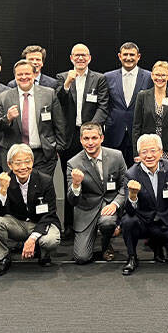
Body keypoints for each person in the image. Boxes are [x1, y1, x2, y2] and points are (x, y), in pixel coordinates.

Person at [119, 134, 168, 275]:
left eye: (153, 151)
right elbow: (129, 211)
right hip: (142, 222)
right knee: (128, 221)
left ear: (161, 152)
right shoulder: (131, 174)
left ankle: (158, 244)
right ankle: (132, 257)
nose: (149, 156)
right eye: (144, 152)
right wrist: (133, 196)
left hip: (163, 223)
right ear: (138, 155)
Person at [56, 43, 109, 237]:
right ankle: (69, 225)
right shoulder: (62, 77)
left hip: (91, 137)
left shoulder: (99, 79)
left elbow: (103, 106)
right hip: (69, 138)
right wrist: (67, 83)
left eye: (84, 55)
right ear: (71, 58)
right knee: (71, 181)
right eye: (76, 55)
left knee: (95, 179)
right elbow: (58, 103)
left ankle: (97, 223)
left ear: (89, 58)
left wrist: (90, 130)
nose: (80, 58)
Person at [0, 143, 61, 276]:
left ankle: (43, 253)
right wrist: (3, 190)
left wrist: (32, 239)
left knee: (50, 240)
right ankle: (2, 258)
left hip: (40, 222)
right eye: (18, 163)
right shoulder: (4, 180)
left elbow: (49, 213)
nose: (23, 167)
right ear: (10, 165)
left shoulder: (45, 180)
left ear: (32, 162)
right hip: (18, 223)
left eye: (27, 162)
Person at [65, 122, 128, 264]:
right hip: (86, 210)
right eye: (86, 139)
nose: (90, 143)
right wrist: (76, 185)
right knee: (81, 258)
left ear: (102, 138)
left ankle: (106, 243)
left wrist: (115, 204)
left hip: (109, 206)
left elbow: (125, 185)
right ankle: (93, 236)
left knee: (107, 222)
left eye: (94, 138)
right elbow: (72, 201)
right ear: (81, 140)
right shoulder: (73, 163)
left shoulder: (116, 156)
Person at [0, 59, 66, 176]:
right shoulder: (3, 97)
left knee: (43, 186)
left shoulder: (49, 94)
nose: (24, 77)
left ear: (34, 75)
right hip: (15, 156)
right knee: (16, 187)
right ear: (15, 76)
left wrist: (58, 148)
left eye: (27, 73)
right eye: (20, 74)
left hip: (44, 155)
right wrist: (7, 118)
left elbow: (59, 123)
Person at [103, 42, 152, 167]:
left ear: (138, 56)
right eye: (125, 54)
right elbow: (103, 104)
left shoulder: (149, 77)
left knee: (137, 171)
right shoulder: (108, 77)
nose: (128, 58)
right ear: (119, 56)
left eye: (132, 54)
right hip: (114, 132)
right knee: (113, 171)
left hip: (139, 133)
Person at [132, 61, 168, 163]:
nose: (159, 78)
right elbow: (136, 127)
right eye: (157, 75)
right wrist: (136, 152)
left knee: (167, 173)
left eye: (163, 75)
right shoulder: (142, 96)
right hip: (147, 150)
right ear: (152, 76)